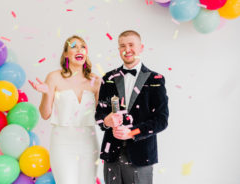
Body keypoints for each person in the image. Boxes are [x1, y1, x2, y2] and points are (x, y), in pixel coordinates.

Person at [95, 30, 169, 184]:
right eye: (122, 46)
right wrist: (107, 121)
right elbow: (99, 115)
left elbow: (161, 120)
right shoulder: (108, 78)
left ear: (141, 47)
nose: (126, 49)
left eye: (131, 45)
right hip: (112, 156)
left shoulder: (156, 79)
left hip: (141, 155)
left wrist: (132, 132)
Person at [29, 35, 101, 184]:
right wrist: (46, 93)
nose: (79, 49)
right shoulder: (54, 77)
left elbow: (102, 116)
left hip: (89, 142)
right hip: (62, 143)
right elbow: (45, 114)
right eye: (74, 46)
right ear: (66, 54)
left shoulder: (96, 81)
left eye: (82, 46)